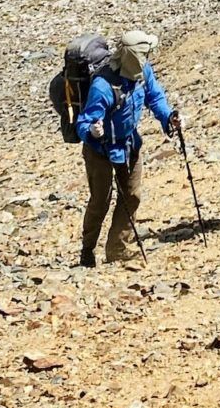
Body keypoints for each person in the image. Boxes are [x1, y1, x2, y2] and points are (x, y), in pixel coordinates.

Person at [76, 30, 180, 267]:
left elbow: (155, 97)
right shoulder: (102, 87)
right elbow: (84, 121)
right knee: (100, 201)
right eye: (144, 53)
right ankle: (87, 249)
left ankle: (118, 249)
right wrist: (92, 131)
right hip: (100, 151)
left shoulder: (143, 72)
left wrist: (168, 118)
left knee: (131, 196)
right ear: (133, 55)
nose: (148, 58)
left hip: (130, 145)